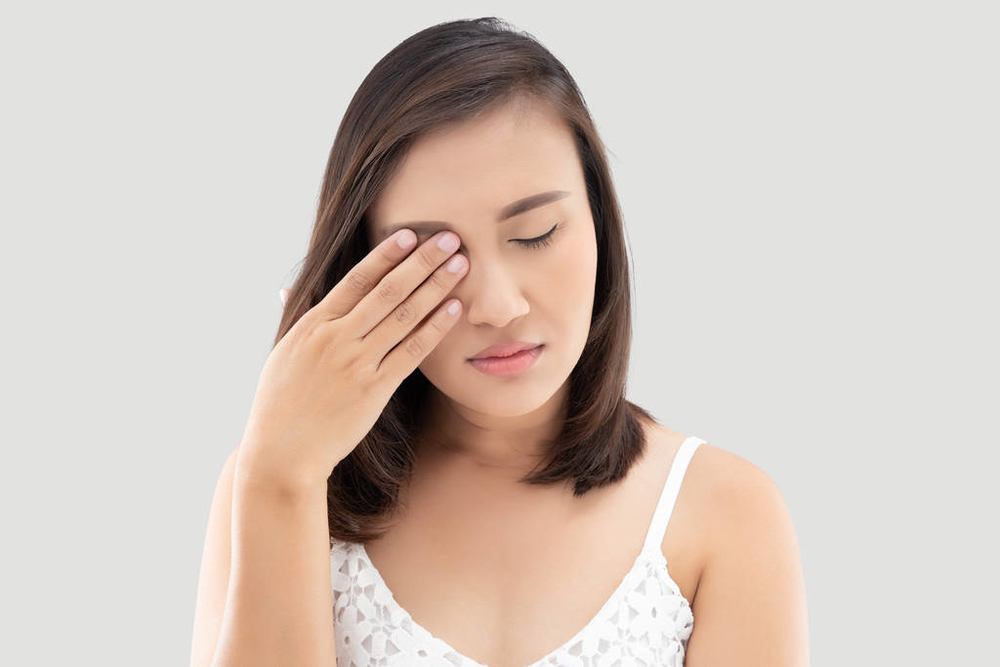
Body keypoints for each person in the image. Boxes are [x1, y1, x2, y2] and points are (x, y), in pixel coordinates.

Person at [190, 17, 809, 667]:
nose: (499, 306)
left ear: (599, 222)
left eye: (535, 234)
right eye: (436, 258)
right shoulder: (276, 478)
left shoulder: (725, 511)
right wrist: (282, 477)